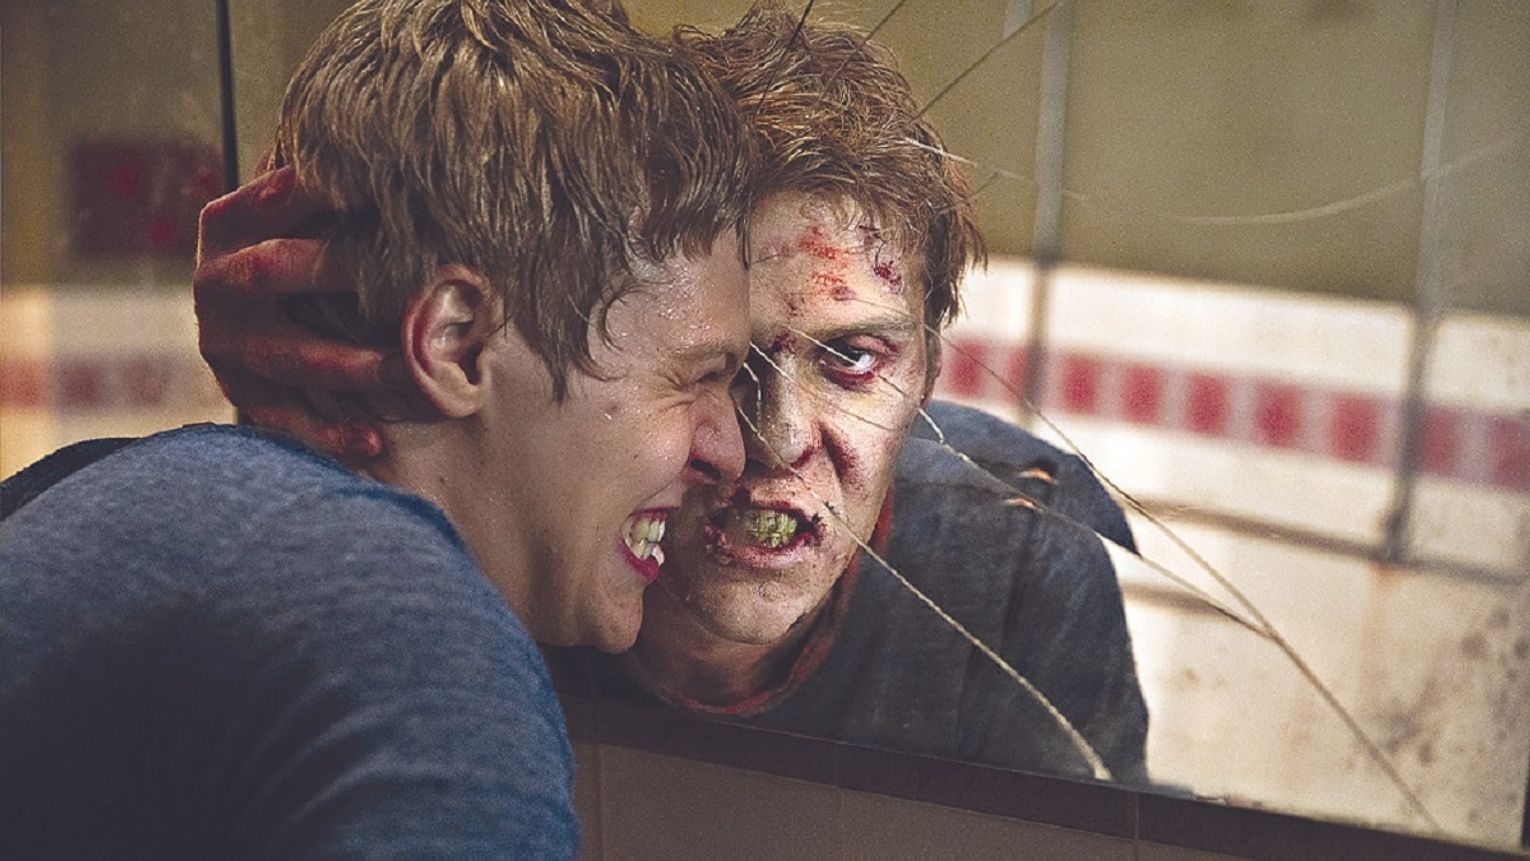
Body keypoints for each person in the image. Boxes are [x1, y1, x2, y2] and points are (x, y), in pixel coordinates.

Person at [192, 3, 1149, 784]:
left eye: (852, 358)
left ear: (928, 376)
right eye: (720, 368)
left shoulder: (1016, 564)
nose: (772, 437)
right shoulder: (511, 534)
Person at [0, 0, 754, 855]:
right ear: (457, 343)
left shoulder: (94, 497)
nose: (729, 451)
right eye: (698, 376)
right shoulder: (402, 637)